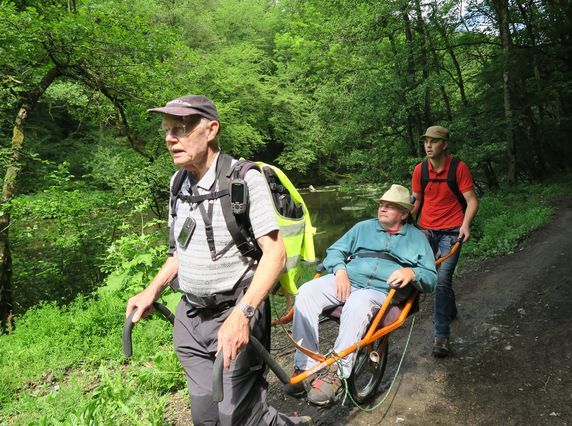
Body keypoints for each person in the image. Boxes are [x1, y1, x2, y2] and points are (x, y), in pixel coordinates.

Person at [125, 95, 310, 425]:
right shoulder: (178, 183)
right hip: (190, 318)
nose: (170, 138)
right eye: (167, 130)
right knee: (206, 415)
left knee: (240, 417)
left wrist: (243, 314)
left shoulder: (243, 180)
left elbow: (275, 255)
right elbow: (177, 254)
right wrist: (151, 291)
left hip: (236, 315)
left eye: (179, 129)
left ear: (211, 130)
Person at [284, 184, 437, 406]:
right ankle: (305, 365)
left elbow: (431, 278)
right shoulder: (363, 228)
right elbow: (336, 250)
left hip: (380, 290)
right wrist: (340, 271)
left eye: (390, 206)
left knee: (358, 302)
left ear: (404, 214)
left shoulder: (417, 239)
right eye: (381, 205)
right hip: (349, 279)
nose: (382, 209)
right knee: (306, 291)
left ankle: (337, 372)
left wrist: (411, 272)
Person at [411, 125, 479, 358]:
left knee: (441, 280)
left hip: (452, 232)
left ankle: (441, 336)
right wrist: (402, 219)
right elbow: (417, 201)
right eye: (425, 141)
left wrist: (465, 225)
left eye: (434, 141)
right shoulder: (420, 170)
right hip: (426, 230)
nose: (428, 145)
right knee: (416, 272)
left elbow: (471, 201)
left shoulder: (458, 168)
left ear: (445, 144)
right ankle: (449, 308)